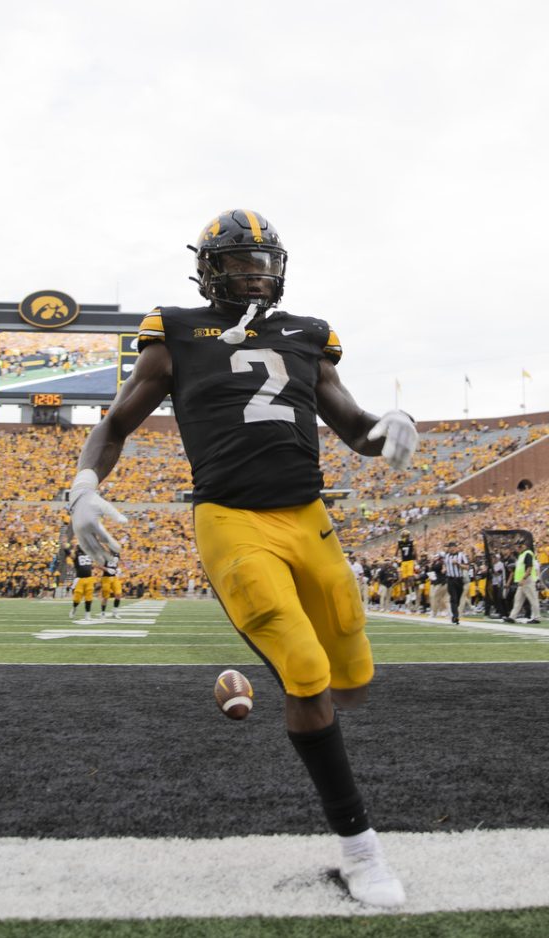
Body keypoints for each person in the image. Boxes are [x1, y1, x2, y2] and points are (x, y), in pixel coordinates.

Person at [69, 209, 418, 908]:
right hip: (231, 519)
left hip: (307, 515)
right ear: (208, 268)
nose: (254, 271)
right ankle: (360, 850)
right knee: (308, 672)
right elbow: (115, 422)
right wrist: (84, 485)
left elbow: (353, 428)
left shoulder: (307, 335)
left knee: (350, 674)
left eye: (263, 259)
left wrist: (389, 426)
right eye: (237, 261)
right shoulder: (175, 332)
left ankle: (263, 679)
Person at [507, 545, 541, 624]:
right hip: (522, 580)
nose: (517, 549)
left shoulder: (528, 554)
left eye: (519, 547)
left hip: (527, 579)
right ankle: (512, 617)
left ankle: (537, 617)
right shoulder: (522, 555)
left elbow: (529, 567)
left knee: (533, 599)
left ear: (524, 546)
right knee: (518, 599)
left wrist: (524, 578)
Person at [442, 541, 470, 624]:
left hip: (459, 579)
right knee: (453, 598)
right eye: (450, 548)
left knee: (457, 599)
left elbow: (467, 567)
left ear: (456, 548)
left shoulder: (461, 555)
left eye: (453, 547)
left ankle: (455, 613)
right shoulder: (446, 556)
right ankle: (455, 616)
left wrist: (458, 564)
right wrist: (444, 569)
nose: (452, 549)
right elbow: (445, 564)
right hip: (450, 579)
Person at [68, 544, 98, 623]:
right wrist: (65, 547)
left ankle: (87, 614)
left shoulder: (89, 554)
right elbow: (70, 554)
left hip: (89, 578)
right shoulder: (76, 555)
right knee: (77, 597)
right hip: (80, 579)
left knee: (89, 597)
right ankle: (74, 608)